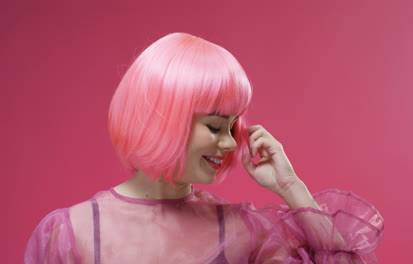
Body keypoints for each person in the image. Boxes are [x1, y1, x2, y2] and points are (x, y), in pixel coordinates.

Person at [24, 32, 384, 264]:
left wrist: (290, 186)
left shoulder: (246, 232)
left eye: (233, 126)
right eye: (215, 126)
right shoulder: (68, 234)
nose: (229, 143)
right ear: (162, 118)